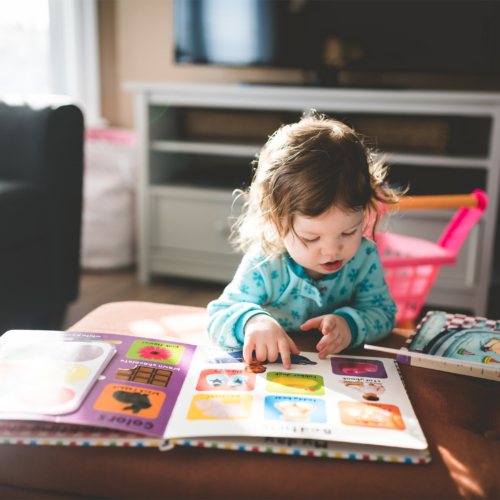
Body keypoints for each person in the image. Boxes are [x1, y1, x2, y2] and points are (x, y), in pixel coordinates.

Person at [207, 112, 400, 369]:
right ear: (276, 223)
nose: (333, 249)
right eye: (311, 237)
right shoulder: (264, 262)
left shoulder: (364, 258)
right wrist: (253, 321)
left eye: (349, 232)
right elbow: (218, 316)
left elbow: (384, 315)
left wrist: (350, 325)